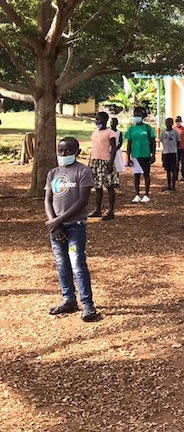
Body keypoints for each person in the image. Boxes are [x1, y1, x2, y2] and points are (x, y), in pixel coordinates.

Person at [45, 137, 99, 322]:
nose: (63, 154)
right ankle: (68, 299)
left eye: (68, 151)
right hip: (56, 228)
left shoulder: (83, 172)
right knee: (61, 264)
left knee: (77, 263)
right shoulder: (53, 173)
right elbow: (48, 200)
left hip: (75, 226)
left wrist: (59, 220)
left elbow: (82, 201)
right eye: (60, 151)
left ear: (76, 151)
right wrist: (54, 223)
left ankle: (87, 304)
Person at [88, 111, 119, 221]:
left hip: (105, 161)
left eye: (99, 119)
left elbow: (114, 148)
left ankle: (111, 211)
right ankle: (98, 210)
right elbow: (94, 148)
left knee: (109, 186)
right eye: (96, 119)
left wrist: (110, 163)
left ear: (105, 120)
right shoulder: (95, 133)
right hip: (95, 161)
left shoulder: (110, 133)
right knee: (97, 187)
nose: (97, 121)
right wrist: (89, 163)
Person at [125, 107, 156, 203]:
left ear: (143, 117)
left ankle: (146, 194)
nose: (136, 117)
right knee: (136, 175)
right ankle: (137, 194)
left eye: (138, 115)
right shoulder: (131, 129)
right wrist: (128, 157)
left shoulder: (148, 128)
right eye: (135, 115)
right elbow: (129, 143)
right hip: (135, 155)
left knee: (146, 174)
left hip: (145, 154)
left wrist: (153, 154)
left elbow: (153, 141)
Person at [160, 117, 180, 192]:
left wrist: (174, 148)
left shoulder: (175, 132)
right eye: (167, 122)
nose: (168, 124)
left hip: (173, 153)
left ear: (172, 123)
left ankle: (173, 185)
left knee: (173, 169)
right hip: (165, 152)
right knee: (167, 170)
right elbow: (162, 141)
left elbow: (178, 142)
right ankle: (168, 185)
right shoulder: (163, 133)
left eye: (170, 122)